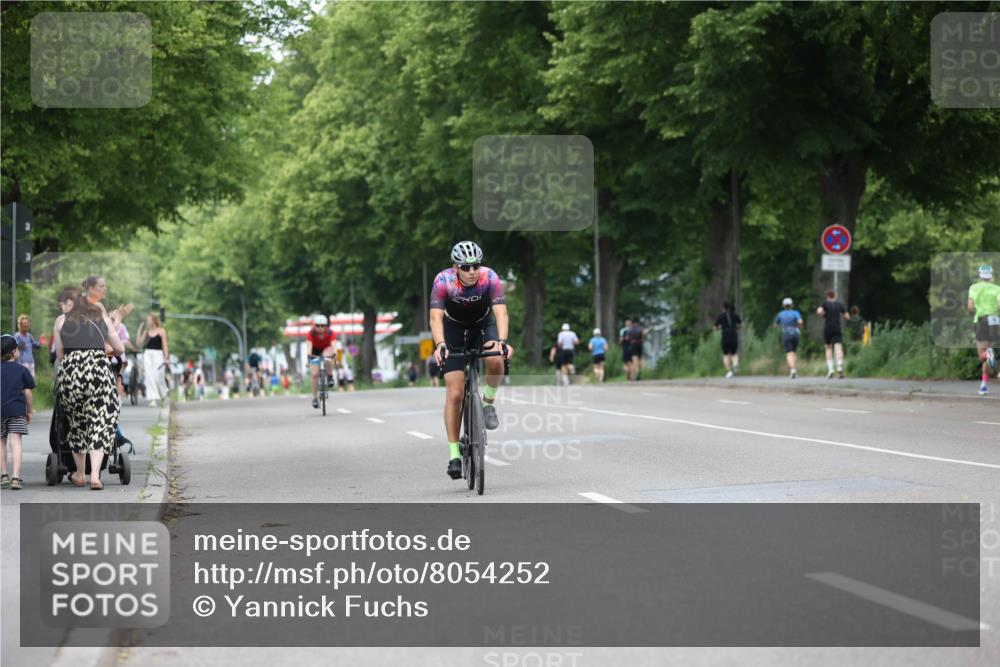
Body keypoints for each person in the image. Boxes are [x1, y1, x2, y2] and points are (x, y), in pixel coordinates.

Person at [430, 241, 514, 480]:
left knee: (497, 358)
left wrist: (504, 341)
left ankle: (487, 402)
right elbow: (435, 318)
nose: (472, 271)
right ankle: (454, 454)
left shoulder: (490, 278)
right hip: (452, 330)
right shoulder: (443, 281)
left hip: (482, 326)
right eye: (466, 267)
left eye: (475, 265)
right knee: (455, 393)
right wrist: (440, 344)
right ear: (455, 267)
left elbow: (501, 313)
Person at [53, 275, 124, 490]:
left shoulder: (60, 320)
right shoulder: (100, 315)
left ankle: (79, 474)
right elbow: (119, 348)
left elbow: (60, 355)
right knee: (101, 420)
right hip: (98, 371)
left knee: (76, 423)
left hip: (71, 374)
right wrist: (104, 349)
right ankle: (95, 476)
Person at [1, 334, 35, 490]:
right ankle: (16, 477)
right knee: (16, 443)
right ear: (14, 352)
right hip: (17, 410)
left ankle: (3, 475)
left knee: (1, 442)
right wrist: (30, 410)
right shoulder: (22, 370)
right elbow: (28, 392)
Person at [968, 264, 1000, 396]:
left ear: (980, 275)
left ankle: (984, 384)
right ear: (991, 275)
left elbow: (970, 306)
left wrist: (972, 314)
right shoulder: (997, 288)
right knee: (991, 350)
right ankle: (983, 386)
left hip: (981, 320)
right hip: (995, 320)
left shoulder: (974, 288)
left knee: (982, 355)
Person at [136, 313, 169, 407]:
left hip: (158, 354)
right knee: (149, 376)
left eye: (149, 320)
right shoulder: (147, 332)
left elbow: (165, 345)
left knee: (159, 375)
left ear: (154, 320)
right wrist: (140, 329)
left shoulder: (161, 331)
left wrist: (166, 358)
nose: (148, 322)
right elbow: (139, 343)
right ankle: (152, 398)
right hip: (148, 354)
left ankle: (163, 395)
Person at [306, 314, 337, 408]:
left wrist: (335, 359)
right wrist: (308, 360)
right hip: (315, 351)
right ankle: (315, 398)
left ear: (326, 326)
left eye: (322, 325)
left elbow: (334, 347)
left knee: (327, 356)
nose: (320, 328)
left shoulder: (331, 333)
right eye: (317, 325)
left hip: (327, 349)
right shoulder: (310, 333)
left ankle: (330, 376)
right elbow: (309, 349)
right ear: (314, 326)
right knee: (314, 375)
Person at [817, 289, 849, 379]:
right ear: (834, 296)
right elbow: (847, 316)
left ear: (827, 296)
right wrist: (842, 315)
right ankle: (839, 366)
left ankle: (830, 369)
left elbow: (819, 311)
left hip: (828, 328)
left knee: (828, 348)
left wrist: (823, 314)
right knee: (838, 347)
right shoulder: (840, 305)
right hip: (837, 327)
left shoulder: (824, 304)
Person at [50, 287, 81, 366]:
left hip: (72, 367)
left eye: (61, 305)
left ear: (70, 303)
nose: (61, 309)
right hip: (97, 369)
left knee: (57, 364)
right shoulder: (93, 318)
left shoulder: (60, 320)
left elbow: (60, 357)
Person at [774, 297, 803, 379]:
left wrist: (781, 325)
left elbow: (775, 324)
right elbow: (800, 321)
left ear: (783, 305)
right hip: (795, 333)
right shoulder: (796, 313)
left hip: (786, 333)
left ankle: (792, 370)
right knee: (794, 352)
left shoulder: (781, 314)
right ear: (792, 305)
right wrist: (799, 327)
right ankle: (794, 369)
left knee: (789, 353)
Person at [714, 302, 742, 378]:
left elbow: (715, 327)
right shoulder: (735, 315)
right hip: (733, 335)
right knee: (734, 353)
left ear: (723, 308)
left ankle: (729, 371)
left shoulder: (721, 316)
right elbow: (740, 325)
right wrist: (735, 328)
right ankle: (735, 363)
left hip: (725, 336)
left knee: (726, 354)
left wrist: (720, 328)